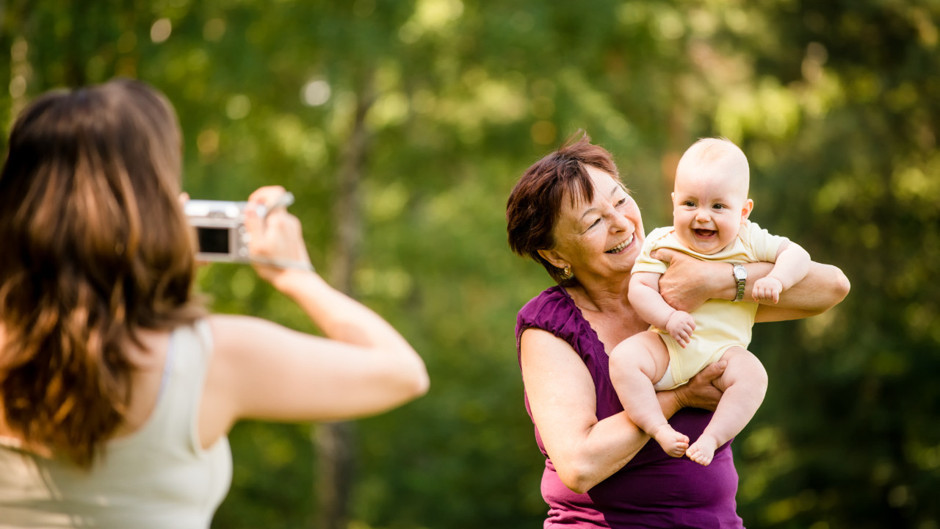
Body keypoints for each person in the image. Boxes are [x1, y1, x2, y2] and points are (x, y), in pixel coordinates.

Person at [0, 79, 429, 529]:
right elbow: (403, 372)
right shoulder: (209, 358)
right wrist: (295, 275)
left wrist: (158, 282)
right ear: (154, 202)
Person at [506, 132, 849, 528]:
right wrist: (680, 396)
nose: (620, 223)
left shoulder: (682, 265)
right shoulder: (549, 327)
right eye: (594, 221)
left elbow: (831, 287)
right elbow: (580, 465)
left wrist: (714, 282)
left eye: (620, 201)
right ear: (555, 254)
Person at [608, 137, 810, 467]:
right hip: (669, 346)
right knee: (624, 359)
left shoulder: (749, 238)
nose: (702, 216)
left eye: (718, 206)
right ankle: (657, 427)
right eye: (690, 204)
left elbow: (797, 254)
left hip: (723, 354)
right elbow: (639, 288)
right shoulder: (662, 241)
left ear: (743, 211)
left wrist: (776, 279)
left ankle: (712, 438)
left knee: (754, 376)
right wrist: (668, 317)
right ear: (673, 202)